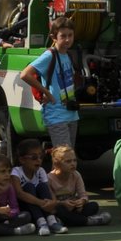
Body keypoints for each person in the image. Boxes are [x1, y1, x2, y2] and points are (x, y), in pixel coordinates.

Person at [19, 18, 81, 151]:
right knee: (64, 158)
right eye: (63, 36)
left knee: (68, 158)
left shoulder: (68, 55)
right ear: (54, 37)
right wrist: (46, 92)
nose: (67, 40)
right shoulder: (49, 55)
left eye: (70, 35)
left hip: (71, 113)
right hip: (56, 114)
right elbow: (25, 74)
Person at [12, 139, 66, 236]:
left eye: (41, 156)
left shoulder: (40, 171)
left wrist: (53, 202)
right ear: (22, 160)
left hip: (42, 205)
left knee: (42, 186)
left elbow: (48, 189)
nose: (38, 160)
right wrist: (41, 203)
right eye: (34, 157)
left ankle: (52, 221)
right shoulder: (16, 171)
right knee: (29, 186)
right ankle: (41, 223)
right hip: (26, 206)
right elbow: (19, 194)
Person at [46, 145, 108, 227]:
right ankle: (88, 221)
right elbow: (51, 202)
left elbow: (83, 195)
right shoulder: (49, 178)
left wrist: (81, 202)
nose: (73, 164)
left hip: (74, 208)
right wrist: (63, 203)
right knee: (58, 211)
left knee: (93, 206)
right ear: (57, 164)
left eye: (74, 160)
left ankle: (67, 221)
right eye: (68, 161)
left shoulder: (76, 175)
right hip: (60, 207)